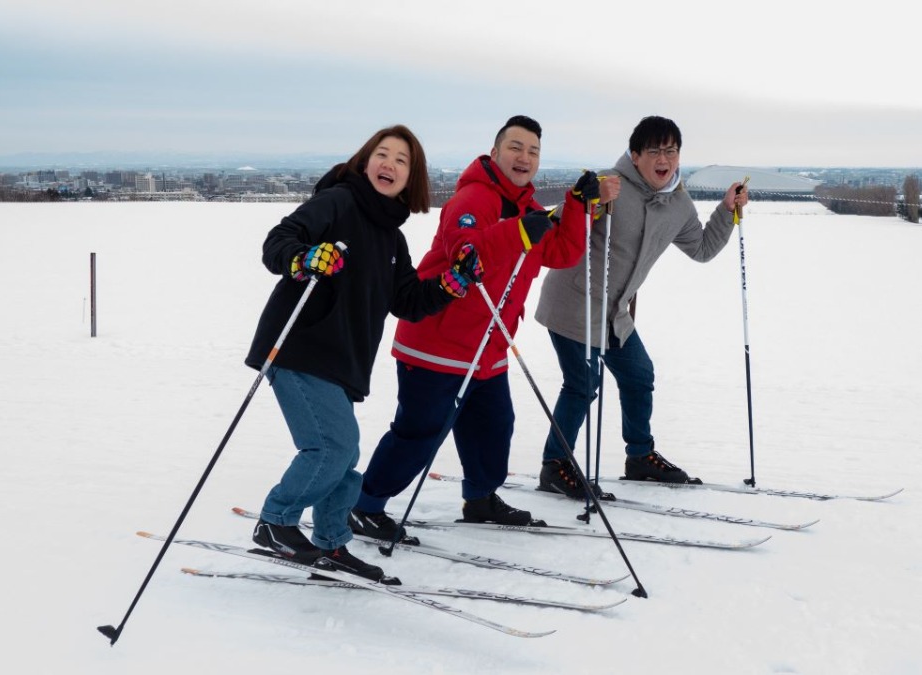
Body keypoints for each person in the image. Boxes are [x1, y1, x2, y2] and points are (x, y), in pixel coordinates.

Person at [349, 115, 619, 541]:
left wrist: (578, 207)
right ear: (494, 153)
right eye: (515, 147)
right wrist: (524, 231)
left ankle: (480, 498)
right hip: (437, 344)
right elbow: (467, 253)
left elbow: (564, 251)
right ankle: (364, 504)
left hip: (488, 349)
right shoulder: (472, 199)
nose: (524, 157)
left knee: (494, 426)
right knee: (420, 433)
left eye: (532, 151)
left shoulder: (530, 210)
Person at [244, 125, 484, 580]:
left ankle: (331, 544)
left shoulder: (391, 237)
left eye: (402, 160)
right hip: (299, 346)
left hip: (343, 360)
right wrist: (304, 258)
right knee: (331, 448)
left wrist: (451, 286)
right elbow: (279, 241)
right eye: (383, 154)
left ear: (412, 178)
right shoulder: (337, 201)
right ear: (365, 160)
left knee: (345, 453)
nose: (389, 164)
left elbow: (407, 300)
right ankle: (275, 521)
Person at [533, 115, 750, 498]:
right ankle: (555, 465)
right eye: (654, 150)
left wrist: (726, 209)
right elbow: (566, 227)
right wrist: (589, 199)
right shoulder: (608, 186)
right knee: (582, 384)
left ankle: (640, 457)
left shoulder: (678, 204)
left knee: (638, 375)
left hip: (616, 314)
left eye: (671, 150)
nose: (664, 158)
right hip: (574, 305)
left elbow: (701, 249)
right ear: (635, 156)